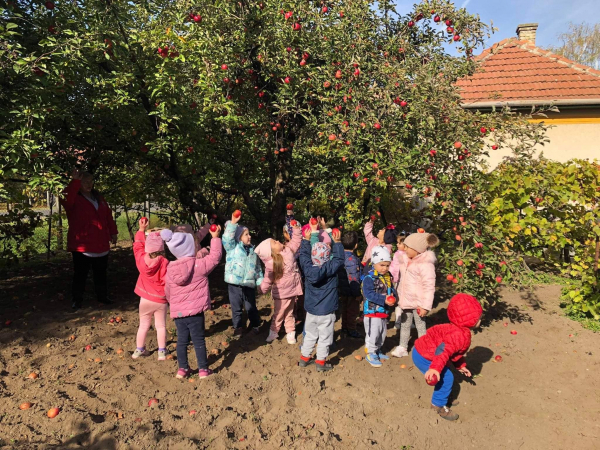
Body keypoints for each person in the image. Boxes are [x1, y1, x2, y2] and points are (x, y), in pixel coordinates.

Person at [161, 225, 222, 379]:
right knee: (198, 340)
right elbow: (215, 257)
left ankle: (182, 369)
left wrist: (173, 304)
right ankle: (203, 369)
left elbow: (167, 291)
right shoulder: (198, 265)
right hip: (195, 312)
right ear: (191, 246)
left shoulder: (170, 269)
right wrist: (215, 238)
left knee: (182, 340)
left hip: (179, 313)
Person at [412, 293, 482, 421]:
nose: (480, 320)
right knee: (447, 377)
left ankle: (443, 395)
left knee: (446, 375)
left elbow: (454, 352)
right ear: (469, 320)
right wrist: (434, 368)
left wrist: (460, 365)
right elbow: (442, 351)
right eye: (478, 317)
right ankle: (437, 406)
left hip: (423, 350)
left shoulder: (457, 330)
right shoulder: (458, 335)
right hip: (424, 355)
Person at [60, 168, 118, 310]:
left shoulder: (98, 197)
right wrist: (74, 181)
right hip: (82, 244)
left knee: (101, 272)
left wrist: (113, 231)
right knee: (80, 274)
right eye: (85, 181)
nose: (89, 184)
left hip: (100, 241)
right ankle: (77, 299)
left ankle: (102, 296)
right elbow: (66, 199)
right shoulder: (74, 198)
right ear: (79, 182)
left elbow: (107, 216)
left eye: (91, 181)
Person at [297, 224, 344, 372]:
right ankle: (320, 362)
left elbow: (303, 256)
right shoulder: (330, 269)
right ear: (328, 257)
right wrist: (337, 243)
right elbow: (339, 259)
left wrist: (305, 240)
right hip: (327, 311)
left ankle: (304, 358)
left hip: (311, 311)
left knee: (310, 334)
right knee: (325, 337)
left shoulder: (307, 268)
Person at [390, 232, 439, 358]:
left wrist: (425, 306)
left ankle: (425, 347)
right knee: (405, 324)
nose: (404, 249)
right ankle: (403, 347)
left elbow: (429, 286)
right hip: (406, 299)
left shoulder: (426, 265)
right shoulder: (405, 260)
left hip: (418, 302)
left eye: (407, 247)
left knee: (420, 325)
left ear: (416, 249)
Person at [255, 221, 303, 344]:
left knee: (290, 313)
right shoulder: (271, 264)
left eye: (275, 240)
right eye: (274, 242)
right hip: (281, 295)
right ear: (272, 252)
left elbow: (296, 241)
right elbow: (267, 279)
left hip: (292, 291)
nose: (277, 241)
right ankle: (273, 332)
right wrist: (262, 289)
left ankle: (291, 332)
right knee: (279, 314)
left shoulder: (288, 250)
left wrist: (296, 229)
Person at [132, 217, 169, 360]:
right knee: (161, 326)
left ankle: (139, 349)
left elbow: (137, 246)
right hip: (160, 299)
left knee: (143, 325)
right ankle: (161, 352)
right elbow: (168, 281)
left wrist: (141, 230)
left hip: (145, 299)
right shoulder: (165, 262)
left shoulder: (141, 259)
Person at [223, 212, 264, 335]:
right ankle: (238, 327)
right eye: (246, 234)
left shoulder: (253, 251)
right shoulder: (232, 248)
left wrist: (260, 282)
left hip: (248, 284)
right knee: (236, 308)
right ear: (238, 237)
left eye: (249, 234)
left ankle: (255, 325)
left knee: (251, 307)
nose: (249, 236)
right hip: (234, 284)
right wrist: (233, 223)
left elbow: (257, 268)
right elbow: (227, 239)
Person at [361, 246, 397, 367]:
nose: (385, 268)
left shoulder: (387, 277)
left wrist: (394, 296)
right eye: (382, 265)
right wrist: (384, 299)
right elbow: (369, 294)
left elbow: (391, 290)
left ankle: (377, 349)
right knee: (373, 333)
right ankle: (371, 352)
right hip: (372, 311)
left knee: (382, 332)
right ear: (374, 263)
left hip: (383, 311)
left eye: (387, 265)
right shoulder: (369, 278)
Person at [337, 231, 363, 338]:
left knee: (344, 309)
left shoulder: (339, 256)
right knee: (352, 311)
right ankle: (351, 329)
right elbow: (354, 278)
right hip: (351, 291)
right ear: (356, 245)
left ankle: (344, 328)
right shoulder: (352, 260)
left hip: (342, 289)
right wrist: (357, 293)